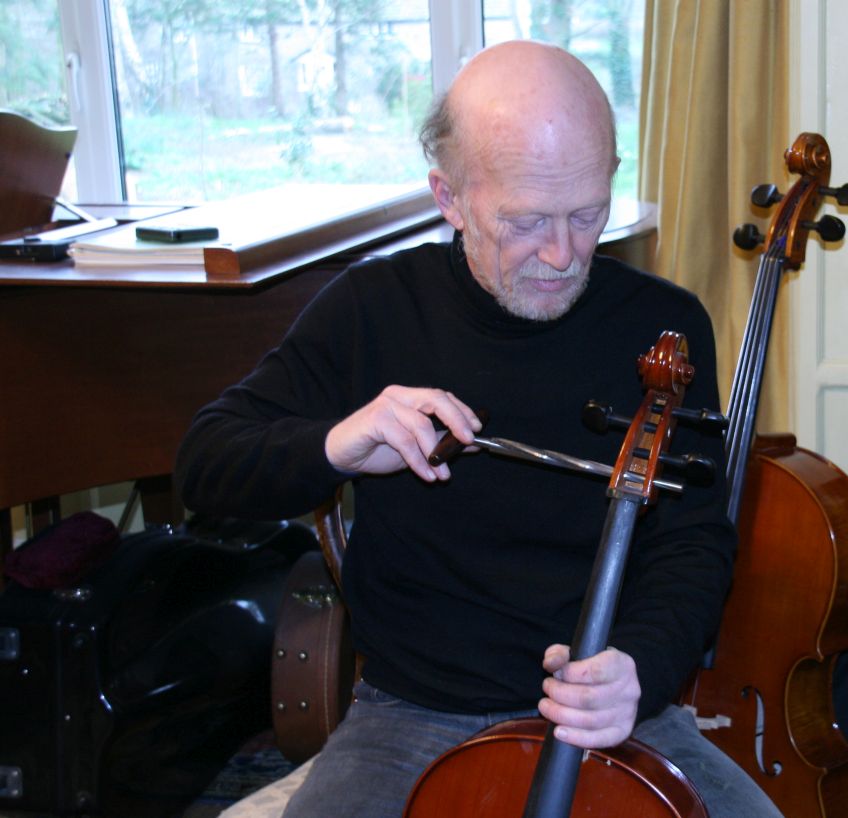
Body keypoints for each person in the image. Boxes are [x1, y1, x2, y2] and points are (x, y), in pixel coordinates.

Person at [175, 40, 782, 818]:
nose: (563, 255)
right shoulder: (373, 308)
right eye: (526, 222)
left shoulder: (662, 327)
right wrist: (338, 442)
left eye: (588, 214)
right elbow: (205, 461)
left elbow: (694, 541)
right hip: (409, 715)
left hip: (616, 719)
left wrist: (641, 668)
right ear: (450, 198)